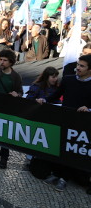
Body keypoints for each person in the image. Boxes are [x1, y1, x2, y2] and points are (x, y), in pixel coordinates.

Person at [37, 54, 91, 192]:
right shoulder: (68, 80)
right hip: (65, 121)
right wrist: (44, 100)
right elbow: (54, 96)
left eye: (81, 66)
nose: (77, 68)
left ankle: (65, 178)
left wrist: (88, 109)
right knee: (61, 147)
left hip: (82, 126)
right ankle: (58, 173)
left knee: (73, 151)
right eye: (78, 64)